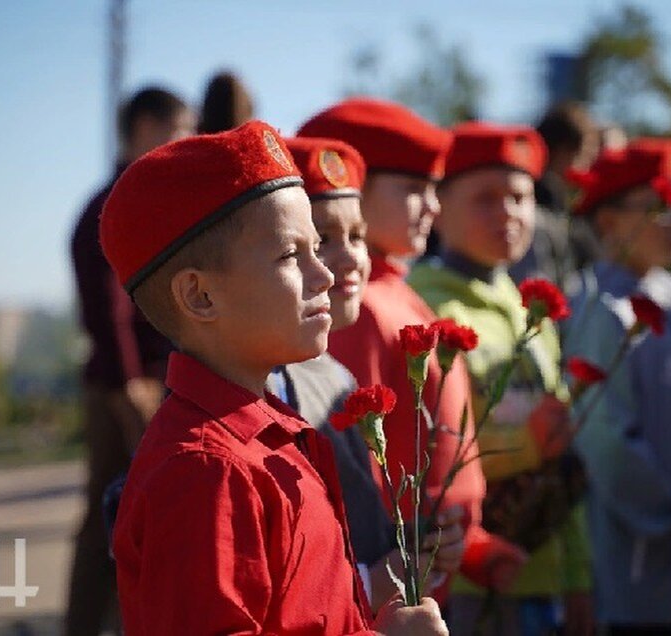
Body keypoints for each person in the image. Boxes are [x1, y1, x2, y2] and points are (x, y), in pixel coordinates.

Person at [102, 120, 449, 635]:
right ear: (200, 296)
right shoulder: (204, 470)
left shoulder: (272, 432)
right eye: (293, 254)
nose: (326, 275)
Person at [298, 98, 527, 604]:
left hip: (429, 570)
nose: (434, 205)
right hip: (388, 578)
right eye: (414, 189)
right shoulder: (356, 310)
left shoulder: (398, 293)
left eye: (434, 189)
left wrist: (471, 546)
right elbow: (362, 471)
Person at [408, 122, 592, 636]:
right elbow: (425, 450)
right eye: (485, 198)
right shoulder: (425, 306)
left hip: (545, 575)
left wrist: (578, 576)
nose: (507, 213)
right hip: (467, 585)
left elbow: (562, 457)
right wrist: (525, 444)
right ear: (438, 205)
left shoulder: (530, 309)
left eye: (519, 197)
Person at [275, 136, 467, 612]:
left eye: (356, 236)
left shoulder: (333, 375)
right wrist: (370, 583)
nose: (347, 259)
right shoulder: (259, 390)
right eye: (320, 240)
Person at [563, 143, 671, 635]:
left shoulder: (670, 296)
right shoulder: (602, 306)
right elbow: (608, 443)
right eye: (660, 205)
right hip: (628, 563)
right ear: (609, 222)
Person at [66, 86, 193, 635]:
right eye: (177, 130)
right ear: (144, 127)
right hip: (126, 385)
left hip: (144, 379)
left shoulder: (145, 197)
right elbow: (108, 306)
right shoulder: (115, 203)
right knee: (108, 522)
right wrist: (129, 386)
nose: (182, 143)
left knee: (138, 518)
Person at [509, 102, 600, 292]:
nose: (586, 169)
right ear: (561, 152)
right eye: (583, 157)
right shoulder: (534, 214)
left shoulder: (564, 212)